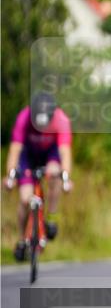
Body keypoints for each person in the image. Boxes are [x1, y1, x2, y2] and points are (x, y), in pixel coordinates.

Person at [4, 92, 73, 261]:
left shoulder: (61, 120)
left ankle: (51, 217)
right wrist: (10, 176)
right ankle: (22, 239)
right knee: (24, 198)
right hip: (28, 156)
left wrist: (66, 178)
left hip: (50, 155)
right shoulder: (24, 118)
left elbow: (65, 152)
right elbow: (15, 150)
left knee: (55, 174)